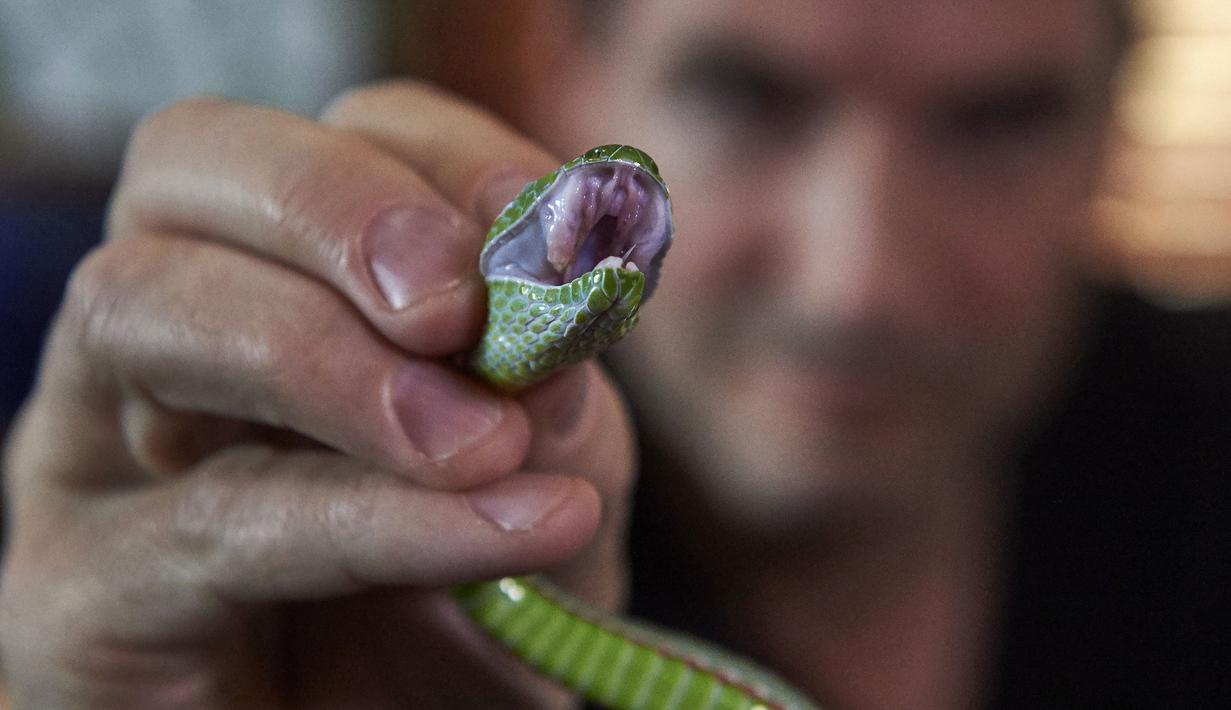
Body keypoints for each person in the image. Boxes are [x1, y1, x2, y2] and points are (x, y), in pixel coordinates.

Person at [2, 1, 1228, 708]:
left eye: (994, 122)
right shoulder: (318, 506)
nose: (858, 281)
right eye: (746, 97)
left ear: (1109, 138)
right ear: (566, 73)